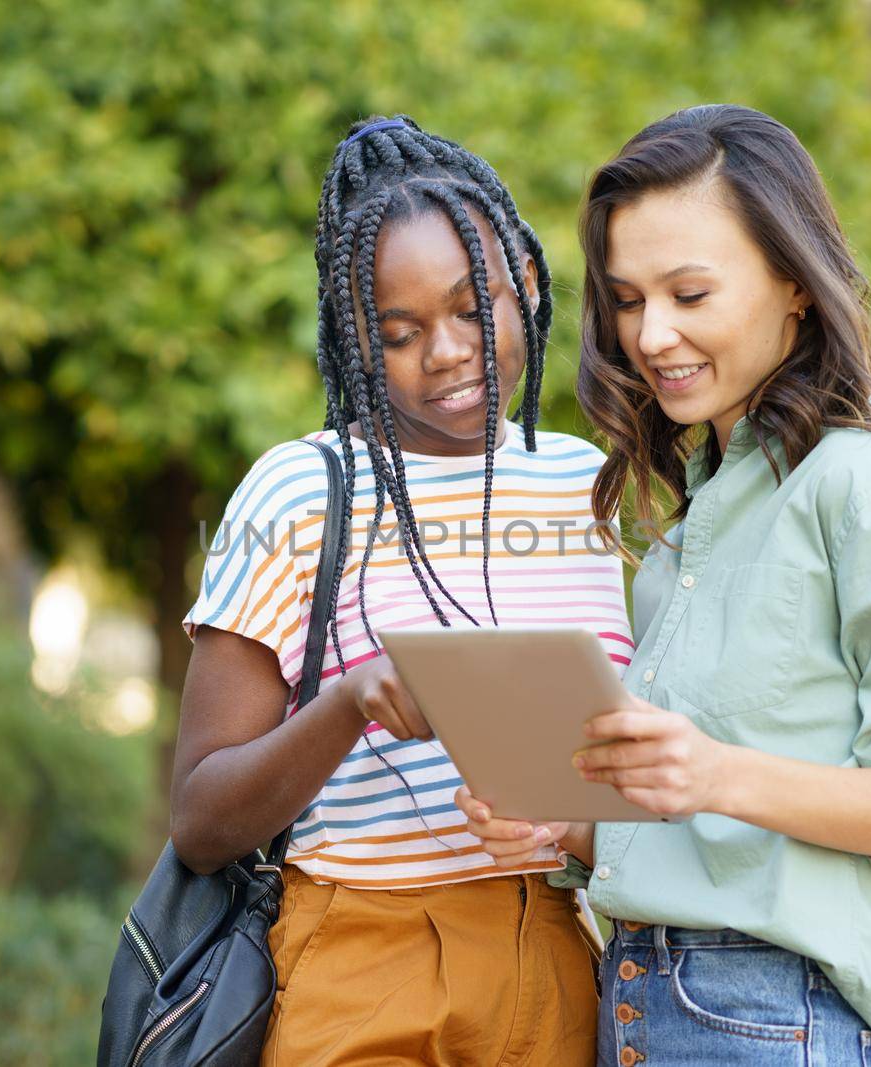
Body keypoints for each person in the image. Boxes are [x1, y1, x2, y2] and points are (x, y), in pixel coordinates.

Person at [457, 104, 871, 1067]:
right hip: (646, 1005)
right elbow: (721, 853)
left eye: (691, 292)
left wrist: (719, 772)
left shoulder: (868, 494)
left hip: (773, 1022)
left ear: (793, 285)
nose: (651, 334)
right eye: (629, 299)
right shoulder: (703, 519)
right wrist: (563, 828)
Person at [174, 115, 629, 1066]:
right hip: (362, 955)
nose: (451, 351)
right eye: (399, 331)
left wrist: (570, 821)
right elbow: (202, 820)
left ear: (529, 287)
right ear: (353, 341)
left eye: (474, 307)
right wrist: (348, 701)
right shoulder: (298, 493)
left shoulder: (588, 484)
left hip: (553, 948)